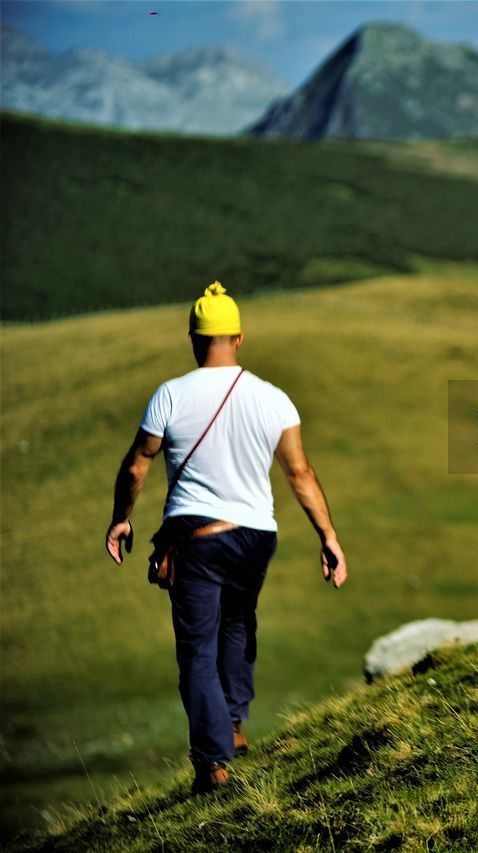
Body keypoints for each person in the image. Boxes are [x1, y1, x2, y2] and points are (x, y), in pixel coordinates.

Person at [103, 281, 348, 793]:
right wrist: (328, 537)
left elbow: (136, 466)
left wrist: (122, 518)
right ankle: (233, 726)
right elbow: (299, 473)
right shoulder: (273, 398)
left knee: (196, 649)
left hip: (198, 538)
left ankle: (212, 764)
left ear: (194, 339)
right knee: (237, 624)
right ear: (238, 337)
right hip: (257, 536)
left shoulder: (170, 394)